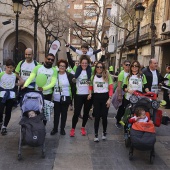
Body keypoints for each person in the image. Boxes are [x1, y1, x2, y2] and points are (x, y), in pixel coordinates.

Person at [23, 53, 57, 125]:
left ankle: (42, 128)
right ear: (45, 59)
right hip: (37, 93)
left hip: (47, 94)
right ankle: (35, 127)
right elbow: (31, 77)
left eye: (52, 60)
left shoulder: (54, 70)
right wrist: (25, 85)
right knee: (36, 111)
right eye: (49, 59)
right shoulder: (37, 68)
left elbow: (53, 83)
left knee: (45, 113)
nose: (50, 61)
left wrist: (44, 88)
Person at [88, 62, 113, 142]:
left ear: (103, 68)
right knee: (97, 117)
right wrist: (90, 94)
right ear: (95, 68)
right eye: (97, 67)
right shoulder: (93, 77)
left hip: (105, 97)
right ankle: (96, 134)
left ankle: (104, 132)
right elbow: (91, 86)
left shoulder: (107, 76)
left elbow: (111, 88)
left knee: (104, 116)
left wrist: (110, 99)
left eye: (101, 67)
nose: (99, 68)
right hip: (96, 98)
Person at [69, 54, 93, 137]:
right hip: (78, 95)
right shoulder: (77, 69)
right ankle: (73, 129)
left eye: (86, 63)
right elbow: (70, 62)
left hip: (87, 95)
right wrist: (73, 79)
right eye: (83, 63)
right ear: (80, 63)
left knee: (86, 113)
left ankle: (83, 127)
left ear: (88, 63)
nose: (84, 65)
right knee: (76, 113)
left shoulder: (90, 70)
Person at [51, 59, 75, 136]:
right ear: (58, 66)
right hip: (56, 98)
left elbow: (73, 86)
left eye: (63, 66)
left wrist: (72, 99)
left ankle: (62, 129)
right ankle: (55, 129)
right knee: (56, 114)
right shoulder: (54, 74)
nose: (62, 67)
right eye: (60, 66)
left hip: (65, 97)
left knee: (64, 114)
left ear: (66, 67)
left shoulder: (69, 75)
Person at [0, 59, 16, 135]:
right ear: (5, 67)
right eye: (8, 67)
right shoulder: (1, 74)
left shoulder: (14, 75)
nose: (9, 69)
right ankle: (0, 121)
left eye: (11, 67)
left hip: (11, 96)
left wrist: (19, 84)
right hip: (2, 95)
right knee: (0, 110)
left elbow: (21, 81)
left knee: (8, 111)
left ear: (13, 68)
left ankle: (4, 126)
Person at [115, 60, 131, 129]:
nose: (128, 66)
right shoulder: (122, 74)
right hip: (122, 92)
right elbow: (119, 86)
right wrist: (119, 95)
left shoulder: (130, 73)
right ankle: (118, 121)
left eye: (129, 65)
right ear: (123, 66)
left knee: (127, 107)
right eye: (126, 64)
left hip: (129, 92)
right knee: (122, 108)